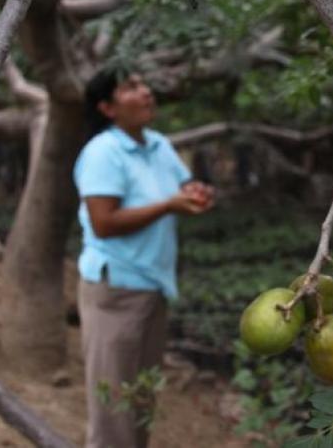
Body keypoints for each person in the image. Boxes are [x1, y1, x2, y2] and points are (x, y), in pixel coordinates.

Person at [73, 70, 214, 448]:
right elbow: (103, 223)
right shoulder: (103, 153)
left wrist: (196, 193)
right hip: (116, 289)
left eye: (143, 84)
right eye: (131, 87)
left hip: (153, 285)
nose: (146, 92)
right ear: (107, 108)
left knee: (140, 398)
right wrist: (168, 205)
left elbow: (182, 187)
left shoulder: (158, 144)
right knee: (113, 410)